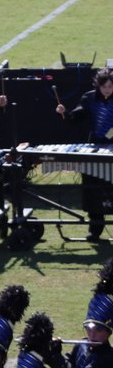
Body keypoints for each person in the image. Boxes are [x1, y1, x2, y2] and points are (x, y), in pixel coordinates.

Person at [57, 66, 113, 239]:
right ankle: (95, 228)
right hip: (95, 147)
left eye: (110, 86)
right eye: (104, 86)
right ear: (98, 85)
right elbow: (75, 118)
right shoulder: (89, 98)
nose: (107, 90)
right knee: (92, 188)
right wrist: (64, 113)